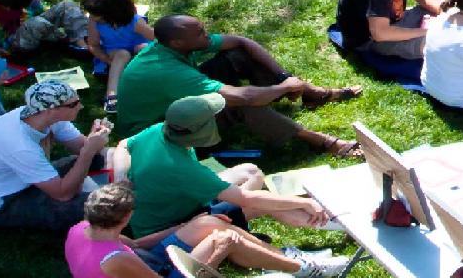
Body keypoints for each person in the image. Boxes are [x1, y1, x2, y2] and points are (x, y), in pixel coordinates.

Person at [123, 95, 346, 247]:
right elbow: (246, 198)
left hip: (164, 207)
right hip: (170, 228)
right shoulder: (183, 169)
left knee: (250, 172)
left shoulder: (156, 131)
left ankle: (238, 220)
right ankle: (341, 225)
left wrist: (121, 180)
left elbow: (123, 144)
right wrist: (303, 202)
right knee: (260, 205)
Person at [115, 14, 356, 154]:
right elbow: (244, 98)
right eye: (199, 33)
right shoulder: (169, 71)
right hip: (158, 137)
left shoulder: (171, 48)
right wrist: (283, 88)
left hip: (174, 103)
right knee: (239, 104)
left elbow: (241, 41)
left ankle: (310, 95)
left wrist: (285, 79)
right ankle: (322, 141)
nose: (207, 35)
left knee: (238, 56)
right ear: (177, 43)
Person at [65, 180, 342, 278]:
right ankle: (304, 268)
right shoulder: (115, 260)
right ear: (126, 218)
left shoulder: (80, 228)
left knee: (207, 223)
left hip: (146, 261)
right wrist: (217, 253)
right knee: (227, 239)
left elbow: (137, 245)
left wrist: (187, 225)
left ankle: (283, 259)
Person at [0, 79, 111, 229]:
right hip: (2, 202)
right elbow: (63, 195)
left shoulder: (41, 114)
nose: (81, 106)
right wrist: (88, 151)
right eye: (73, 104)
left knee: (95, 159)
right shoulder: (19, 145)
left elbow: (81, 147)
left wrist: (93, 139)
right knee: (104, 206)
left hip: (21, 179)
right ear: (51, 110)